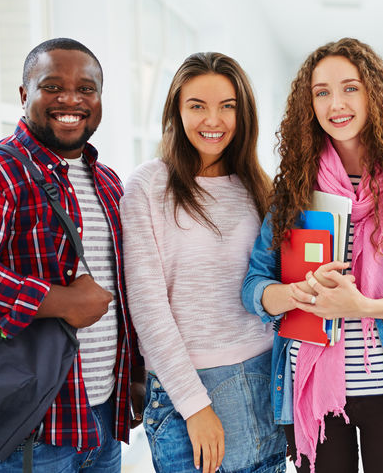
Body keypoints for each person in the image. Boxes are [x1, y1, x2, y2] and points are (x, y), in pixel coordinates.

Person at [242, 38, 383, 473]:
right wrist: (294, 294)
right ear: (310, 104)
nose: (335, 103)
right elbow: (254, 287)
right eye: (322, 92)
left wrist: (363, 307)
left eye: (350, 88)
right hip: (312, 393)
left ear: (373, 93)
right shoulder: (294, 190)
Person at [0, 37, 144, 472]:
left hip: (101, 421)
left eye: (86, 89)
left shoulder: (108, 181)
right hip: (23, 430)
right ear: (24, 95)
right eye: (52, 86)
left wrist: (135, 375)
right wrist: (60, 302)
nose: (71, 99)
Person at [121, 52, 286, 473]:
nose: (213, 120)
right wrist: (195, 406)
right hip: (190, 392)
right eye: (197, 106)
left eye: (227, 106)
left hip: (267, 379)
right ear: (176, 108)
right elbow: (148, 307)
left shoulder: (259, 187)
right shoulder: (148, 185)